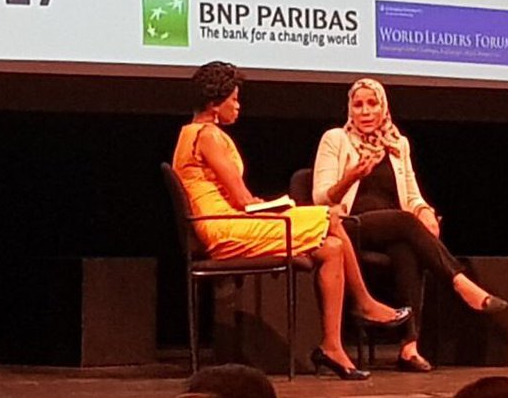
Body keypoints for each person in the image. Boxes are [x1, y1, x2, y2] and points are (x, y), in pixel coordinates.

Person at [172, 61, 411, 380]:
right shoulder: (207, 136)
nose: (238, 106)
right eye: (234, 99)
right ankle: (365, 303)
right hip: (224, 228)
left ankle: (332, 346)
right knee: (330, 215)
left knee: (332, 248)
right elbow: (243, 201)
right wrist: (273, 207)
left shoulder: (192, 133)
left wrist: (273, 207)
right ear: (216, 103)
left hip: (230, 221)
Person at [312, 77, 508, 373]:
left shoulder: (397, 144)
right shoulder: (336, 139)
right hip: (348, 226)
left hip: (392, 228)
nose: (365, 111)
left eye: (372, 104)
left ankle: (409, 347)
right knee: (405, 222)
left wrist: (424, 211)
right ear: (350, 109)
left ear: (383, 107)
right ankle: (459, 282)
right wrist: (352, 176)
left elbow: (412, 195)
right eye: (358, 105)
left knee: (406, 248)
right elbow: (320, 198)